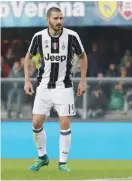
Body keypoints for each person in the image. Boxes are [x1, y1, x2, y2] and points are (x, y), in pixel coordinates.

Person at [23, 7, 88, 172]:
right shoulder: (38, 37)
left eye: (61, 18)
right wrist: (27, 81)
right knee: (36, 122)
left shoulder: (72, 36)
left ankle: (62, 163)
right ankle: (42, 157)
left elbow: (83, 56)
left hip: (64, 87)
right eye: (56, 18)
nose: (59, 21)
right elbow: (28, 57)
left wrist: (82, 81)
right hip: (43, 87)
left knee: (64, 121)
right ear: (48, 20)